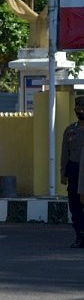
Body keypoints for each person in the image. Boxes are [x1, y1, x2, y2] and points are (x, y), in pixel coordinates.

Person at [62, 95, 84, 248]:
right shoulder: (70, 130)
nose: (80, 111)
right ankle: (80, 236)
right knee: (75, 206)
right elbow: (65, 153)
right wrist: (63, 173)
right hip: (74, 171)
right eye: (78, 109)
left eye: (82, 109)